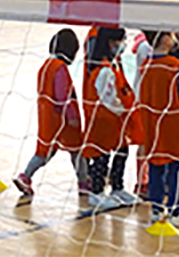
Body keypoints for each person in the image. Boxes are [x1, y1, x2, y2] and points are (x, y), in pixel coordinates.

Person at [134, 28, 179, 228]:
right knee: (178, 168)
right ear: (164, 39)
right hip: (175, 125)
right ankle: (175, 210)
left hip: (153, 125)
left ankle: (155, 209)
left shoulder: (145, 66)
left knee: (156, 166)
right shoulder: (175, 66)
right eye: (170, 35)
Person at [15, 28, 86, 198]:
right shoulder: (59, 68)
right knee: (77, 150)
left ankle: (26, 176)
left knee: (45, 151)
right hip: (62, 119)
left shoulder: (45, 66)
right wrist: (72, 117)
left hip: (47, 117)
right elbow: (63, 96)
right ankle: (84, 182)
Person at [81, 25, 137, 210]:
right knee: (101, 156)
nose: (123, 45)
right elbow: (108, 99)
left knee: (122, 151)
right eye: (119, 41)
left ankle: (117, 187)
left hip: (116, 121)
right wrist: (124, 109)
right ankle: (96, 192)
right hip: (104, 121)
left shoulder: (114, 64)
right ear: (109, 43)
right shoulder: (102, 69)